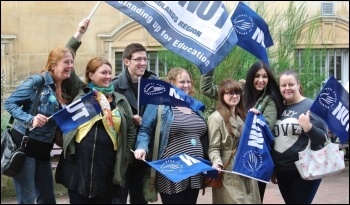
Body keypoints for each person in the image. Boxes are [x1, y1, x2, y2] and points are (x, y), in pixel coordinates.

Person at [55, 57, 137, 204]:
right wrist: (79, 34)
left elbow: (130, 131)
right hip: (79, 165)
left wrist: (126, 156)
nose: (108, 76)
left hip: (108, 167)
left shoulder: (121, 101)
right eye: (103, 72)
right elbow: (65, 61)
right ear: (91, 75)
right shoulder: (82, 96)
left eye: (110, 73)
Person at [200, 61, 284, 202]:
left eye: (265, 76)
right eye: (257, 76)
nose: (261, 80)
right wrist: (210, 61)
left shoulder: (266, 102)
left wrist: (258, 119)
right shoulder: (220, 115)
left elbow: (265, 128)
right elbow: (214, 147)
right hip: (230, 168)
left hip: (251, 162)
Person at [4, 46, 77, 204]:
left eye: (72, 62)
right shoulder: (37, 81)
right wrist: (31, 119)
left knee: (48, 199)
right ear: (53, 65)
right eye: (66, 62)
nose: (70, 65)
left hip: (44, 150)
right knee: (27, 199)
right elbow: (9, 103)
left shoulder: (64, 87)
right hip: (25, 147)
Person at [134, 68, 208, 204]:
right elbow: (145, 129)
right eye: (182, 82)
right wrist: (142, 147)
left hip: (195, 170)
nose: (186, 85)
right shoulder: (159, 103)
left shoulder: (194, 106)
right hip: (172, 170)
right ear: (171, 83)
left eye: (188, 82)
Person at [111, 43, 159, 204]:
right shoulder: (115, 85)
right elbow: (109, 116)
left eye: (145, 59)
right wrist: (128, 119)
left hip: (146, 150)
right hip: (123, 150)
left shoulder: (153, 81)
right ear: (126, 61)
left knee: (140, 198)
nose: (143, 63)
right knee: (119, 196)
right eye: (138, 59)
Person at [271, 69, 328, 204]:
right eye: (283, 85)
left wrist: (308, 127)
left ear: (298, 84)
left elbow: (323, 138)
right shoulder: (277, 108)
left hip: (305, 170)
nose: (287, 88)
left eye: (291, 84)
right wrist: (273, 168)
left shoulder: (311, 106)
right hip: (282, 170)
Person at [207, 78, 261, 204]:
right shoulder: (216, 118)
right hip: (229, 168)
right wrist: (217, 163)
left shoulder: (243, 115)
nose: (235, 96)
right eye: (230, 93)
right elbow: (213, 147)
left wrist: (255, 117)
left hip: (246, 165)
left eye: (237, 93)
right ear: (222, 95)